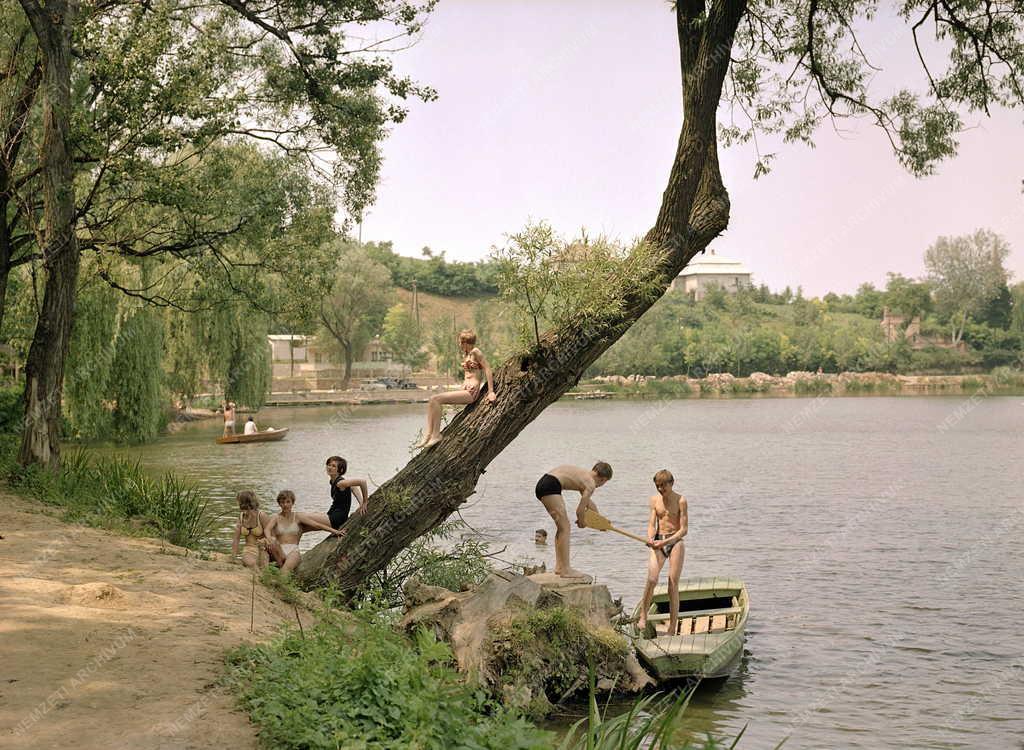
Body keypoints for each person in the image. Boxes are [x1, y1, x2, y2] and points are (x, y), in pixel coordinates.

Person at [417, 329, 495, 448]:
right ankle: (429, 434)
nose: (459, 345)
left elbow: (488, 369)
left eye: (460, 342)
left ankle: (436, 435)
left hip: (471, 393)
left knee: (437, 399)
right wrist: (464, 383)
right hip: (465, 390)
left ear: (465, 342)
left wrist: (491, 392)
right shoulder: (467, 355)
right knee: (432, 400)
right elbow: (469, 374)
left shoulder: (476, 352)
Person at [534, 462, 613, 578]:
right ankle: (566, 570)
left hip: (545, 482)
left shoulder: (584, 476)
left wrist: (601, 522)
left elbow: (588, 504)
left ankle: (559, 567)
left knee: (562, 527)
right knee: (565, 527)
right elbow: (579, 510)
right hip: (551, 485)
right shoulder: (590, 484)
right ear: (603, 479)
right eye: (604, 483)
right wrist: (582, 522)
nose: (600, 486)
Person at [637, 470, 688, 636]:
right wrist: (651, 538)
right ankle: (643, 615)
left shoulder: (681, 500)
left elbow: (683, 530)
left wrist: (666, 542)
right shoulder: (654, 500)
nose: (660, 489)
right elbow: (652, 523)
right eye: (657, 486)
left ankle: (672, 627)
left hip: (675, 542)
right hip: (658, 541)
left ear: (671, 483)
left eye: (663, 486)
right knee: (652, 578)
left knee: (672, 583)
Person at [264, 490, 344, 575]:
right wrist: (269, 539)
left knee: (286, 569)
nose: (285, 505)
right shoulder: (276, 517)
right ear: (279, 503)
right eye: (282, 502)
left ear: (292, 503)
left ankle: (278, 583)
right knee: (271, 542)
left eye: (288, 502)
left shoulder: (298, 516)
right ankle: (276, 572)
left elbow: (316, 525)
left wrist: (335, 531)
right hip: (279, 549)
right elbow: (267, 529)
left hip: (293, 550)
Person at [314, 456, 368, 530]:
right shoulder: (333, 481)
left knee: (301, 518)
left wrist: (365, 502)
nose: (329, 467)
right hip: (332, 514)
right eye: (329, 465)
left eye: (333, 466)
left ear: (340, 470)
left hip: (336, 519)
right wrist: (361, 502)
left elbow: (362, 482)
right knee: (303, 525)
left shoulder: (340, 483)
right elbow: (353, 487)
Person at [230, 491, 273, 570]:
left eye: (239, 502)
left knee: (263, 566)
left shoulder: (262, 515)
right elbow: (236, 539)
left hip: (262, 549)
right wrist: (233, 556)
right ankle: (259, 577)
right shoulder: (241, 517)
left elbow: (272, 536)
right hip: (248, 550)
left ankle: (263, 576)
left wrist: (265, 541)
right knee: (251, 563)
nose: (238, 504)